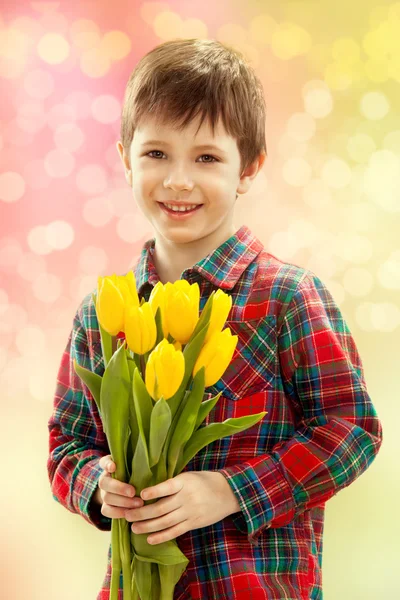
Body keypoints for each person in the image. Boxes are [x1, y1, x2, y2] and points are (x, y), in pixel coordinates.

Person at [47, 38, 383, 599]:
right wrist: (96, 485)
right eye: (156, 154)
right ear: (125, 157)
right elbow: (66, 443)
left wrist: (233, 491)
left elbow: (352, 431)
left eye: (206, 157)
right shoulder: (101, 314)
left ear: (248, 168)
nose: (179, 180)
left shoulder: (288, 298)